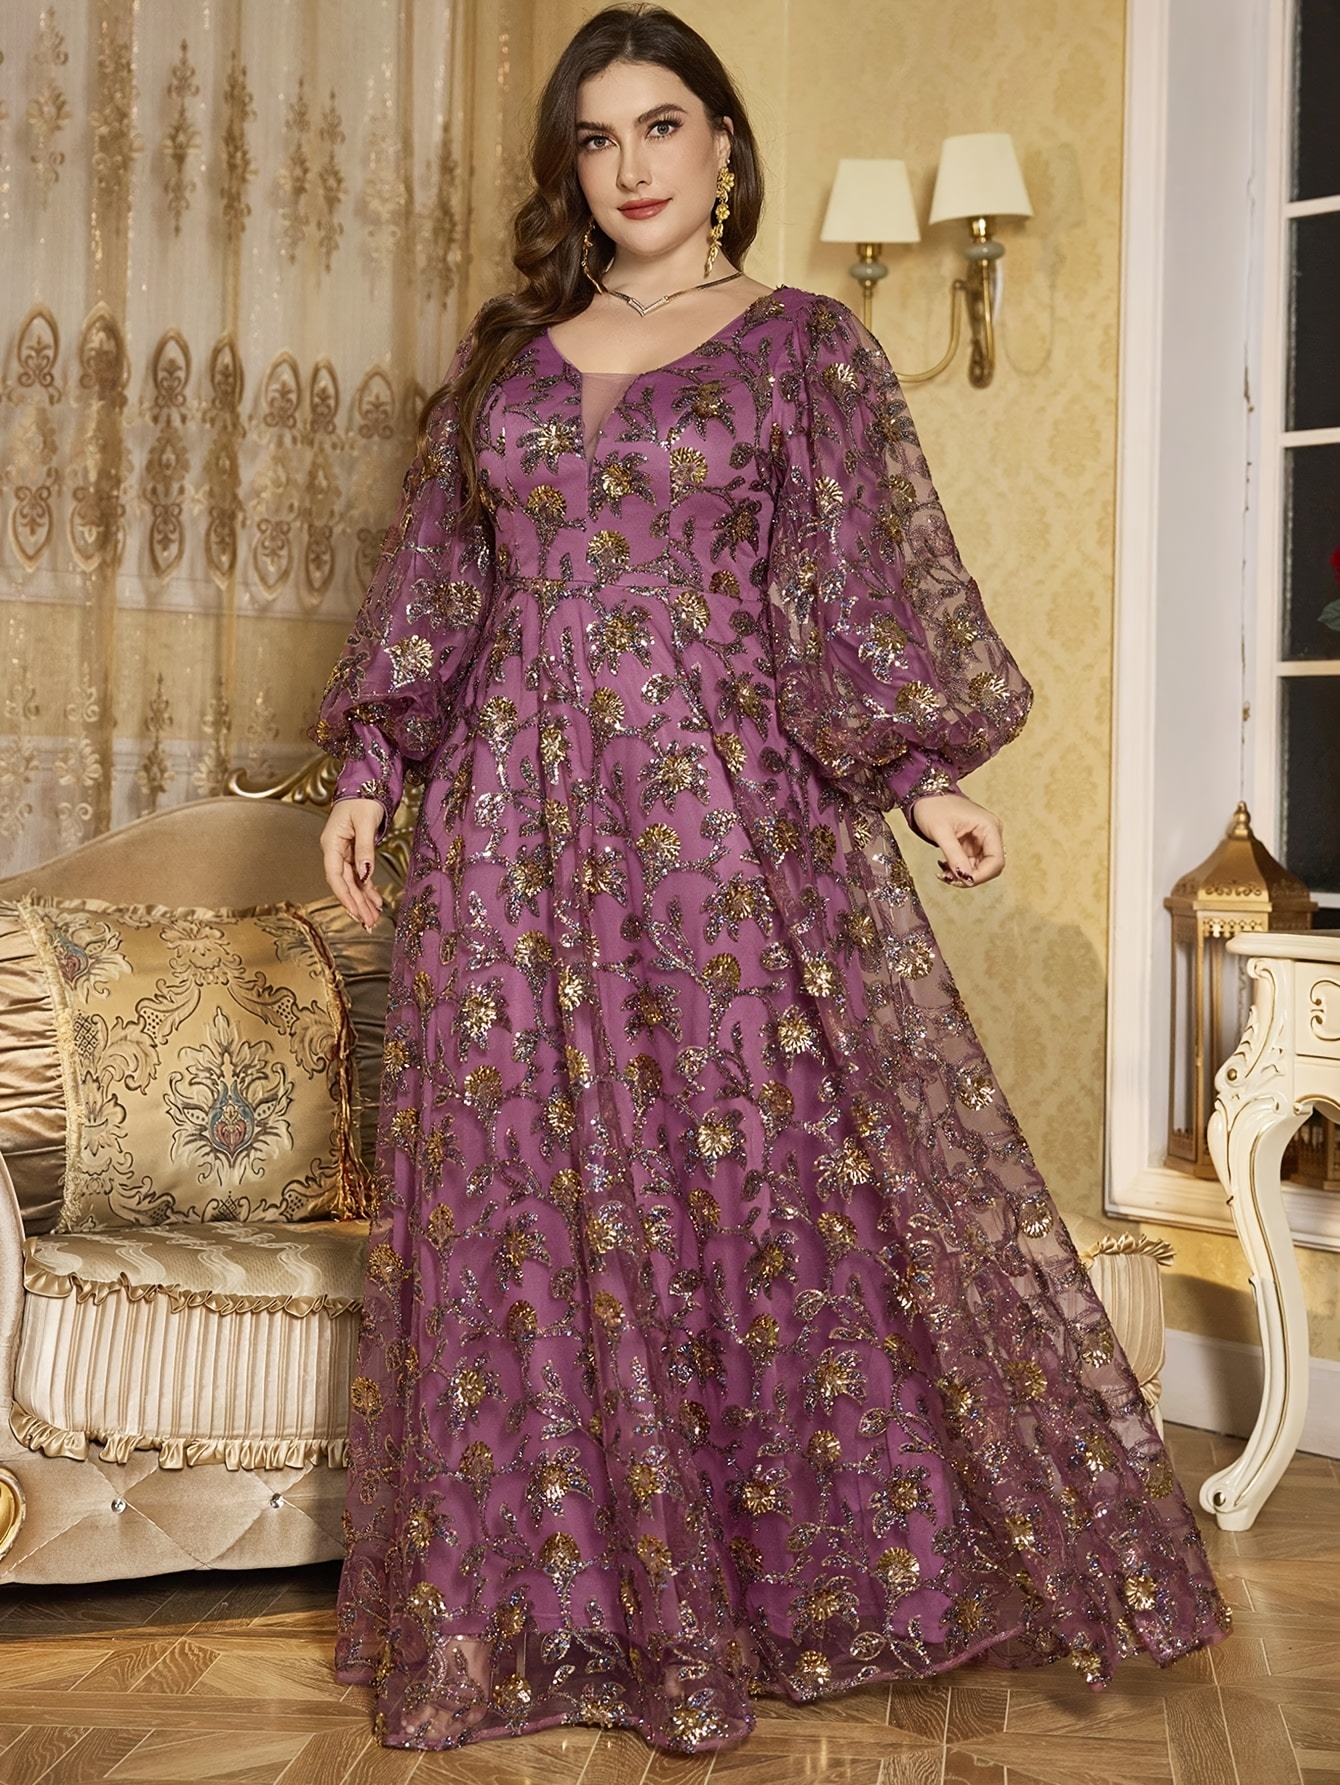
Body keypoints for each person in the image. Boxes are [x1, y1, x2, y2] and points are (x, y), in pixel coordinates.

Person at [315, 3, 1231, 1755]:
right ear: (571, 171)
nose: (631, 165)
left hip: (724, 833)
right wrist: (371, 771)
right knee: (529, 1190)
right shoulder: (507, 365)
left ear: (725, 143)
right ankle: (567, 1606)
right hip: (507, 841)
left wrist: (923, 777)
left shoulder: (805, 350)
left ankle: (784, 1590)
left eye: (662, 125)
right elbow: (436, 589)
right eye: (597, 138)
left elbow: (852, 586)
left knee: (756, 1174)